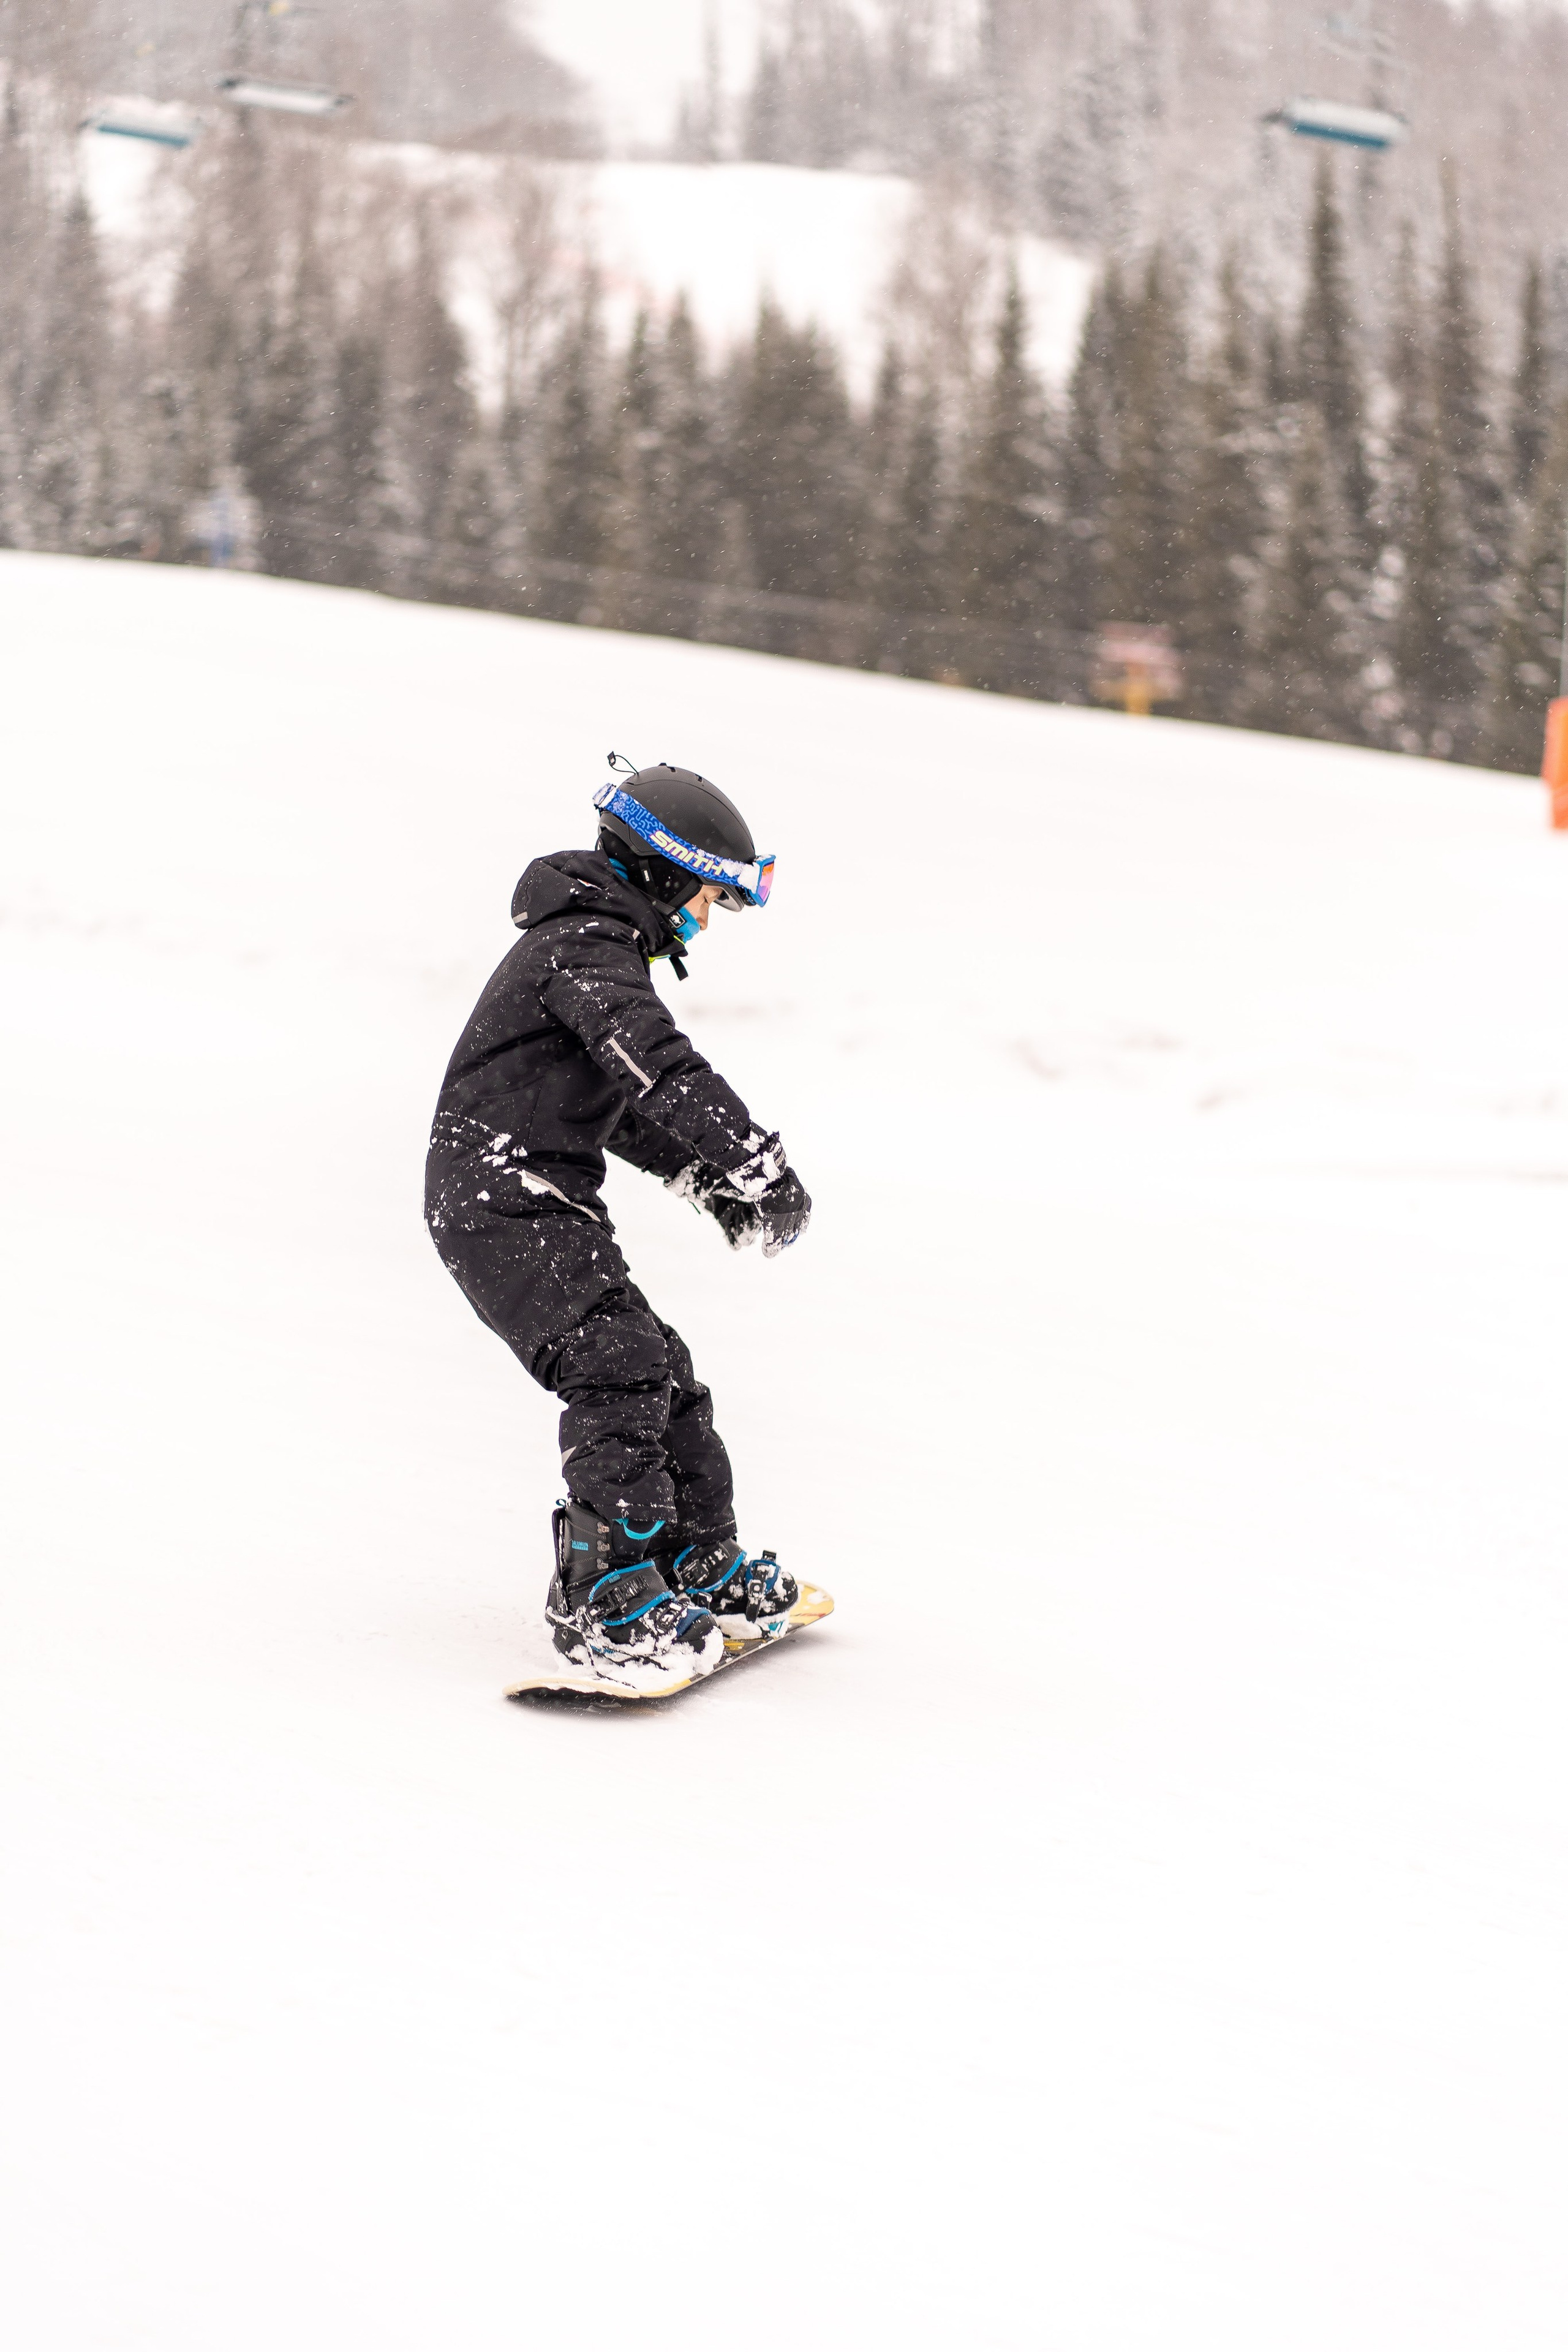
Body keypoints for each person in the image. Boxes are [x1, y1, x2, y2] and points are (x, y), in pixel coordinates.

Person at [425, 759, 812, 1694]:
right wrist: (751, 1159)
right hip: (498, 1199)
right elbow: (657, 1067)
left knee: (660, 1368)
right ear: (665, 873)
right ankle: (604, 1598)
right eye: (708, 897)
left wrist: (707, 1181)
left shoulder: (594, 948)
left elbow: (625, 1105)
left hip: (535, 1197)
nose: (707, 919)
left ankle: (693, 1558)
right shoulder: (583, 949)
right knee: (616, 1365)